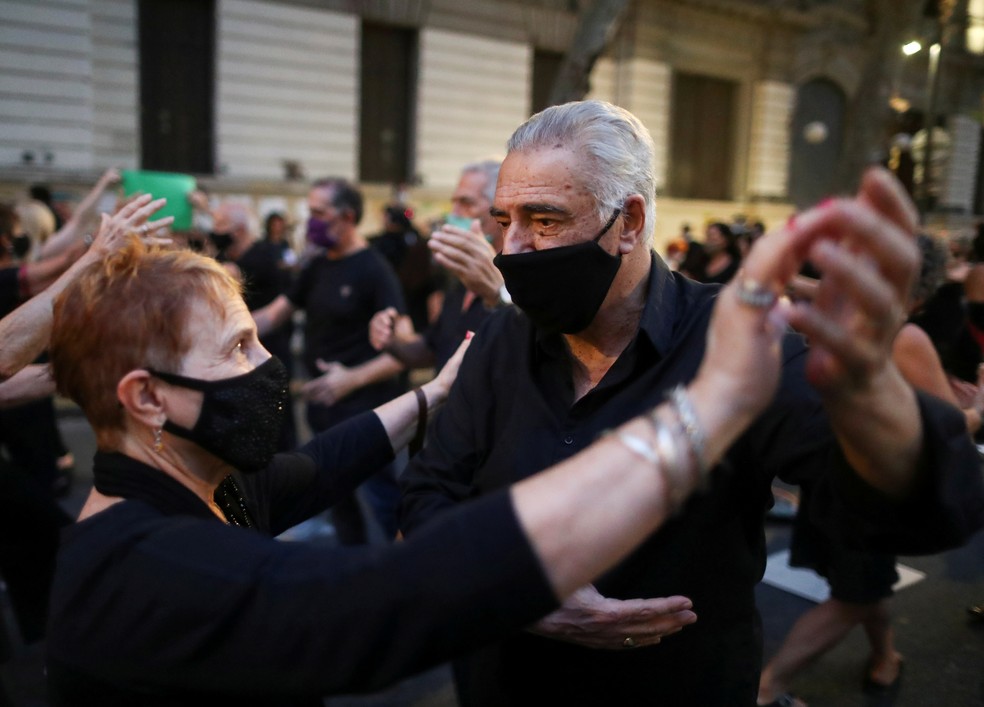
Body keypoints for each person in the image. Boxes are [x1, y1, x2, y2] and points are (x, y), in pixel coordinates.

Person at [43, 175, 861, 705]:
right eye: (237, 351)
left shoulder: (204, 485)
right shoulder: (130, 567)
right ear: (146, 398)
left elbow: (313, 468)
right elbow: (381, 600)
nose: (268, 367)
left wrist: (432, 396)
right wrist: (698, 418)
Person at [398, 100, 984, 706]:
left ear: (628, 222)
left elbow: (931, 507)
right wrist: (517, 595)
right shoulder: (501, 340)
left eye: (544, 219)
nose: (513, 249)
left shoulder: (741, 342)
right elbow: (427, 495)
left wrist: (870, 393)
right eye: (503, 220)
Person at [756, 233, 966, 707]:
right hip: (868, 488)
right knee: (854, 594)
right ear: (919, 292)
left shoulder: (839, 309)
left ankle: (885, 655)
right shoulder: (903, 333)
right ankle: (766, 689)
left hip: (831, 475)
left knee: (865, 582)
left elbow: (797, 284)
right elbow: (951, 424)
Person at [251, 178, 408, 544]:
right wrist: (220, 323)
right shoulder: (317, 266)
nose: (311, 221)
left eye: (319, 213)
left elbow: (405, 350)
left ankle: (402, 577)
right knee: (338, 500)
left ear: (347, 216)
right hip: (324, 412)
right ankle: (353, 572)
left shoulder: (374, 269)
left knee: (382, 502)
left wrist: (350, 379)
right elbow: (275, 315)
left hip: (365, 414)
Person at [370, 160, 509, 374]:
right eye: (454, 202)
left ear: (502, 210)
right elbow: (433, 349)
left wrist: (498, 295)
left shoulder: (519, 282)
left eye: (466, 203)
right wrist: (391, 340)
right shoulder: (460, 279)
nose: (453, 214)